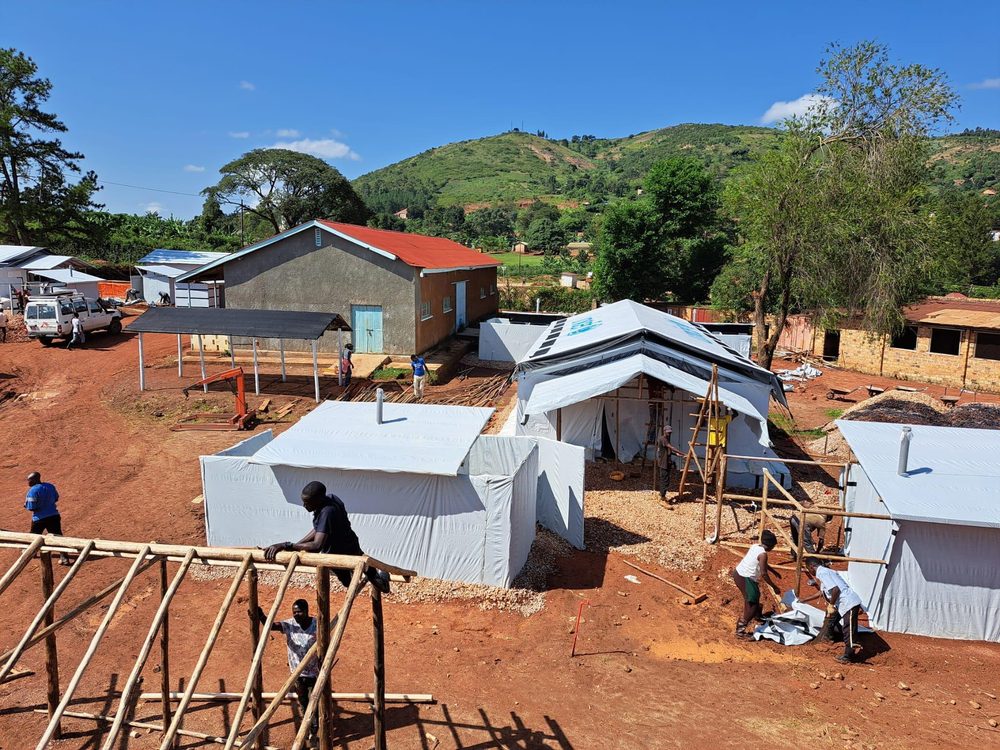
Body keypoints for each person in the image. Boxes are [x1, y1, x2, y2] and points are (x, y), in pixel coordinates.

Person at [263, 481, 390, 593]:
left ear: (318, 500)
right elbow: (320, 529)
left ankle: (380, 574)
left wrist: (286, 545)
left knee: (363, 583)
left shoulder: (327, 512)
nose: (304, 506)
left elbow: (317, 545)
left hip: (341, 553)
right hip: (350, 545)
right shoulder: (331, 499)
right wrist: (296, 545)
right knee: (351, 582)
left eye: (307, 502)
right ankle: (369, 572)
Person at [259, 599, 320, 743]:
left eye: (299, 612)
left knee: (314, 703)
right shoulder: (289, 625)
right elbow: (272, 626)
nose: (296, 615)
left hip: (314, 673)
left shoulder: (316, 624)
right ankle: (307, 728)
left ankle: (314, 731)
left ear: (306, 611)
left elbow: (326, 642)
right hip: (297, 674)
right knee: (303, 702)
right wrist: (261, 615)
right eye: (294, 612)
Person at [806, 558, 865, 663]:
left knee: (849, 628)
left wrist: (831, 605)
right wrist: (804, 600)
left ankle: (848, 655)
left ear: (811, 567)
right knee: (834, 620)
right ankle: (829, 638)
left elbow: (836, 589)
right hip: (844, 604)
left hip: (848, 603)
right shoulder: (826, 572)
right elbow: (824, 592)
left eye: (808, 569)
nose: (810, 572)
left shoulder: (822, 573)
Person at [732, 529, 781, 638]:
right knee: (752, 604)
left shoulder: (756, 546)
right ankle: (740, 629)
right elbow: (764, 573)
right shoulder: (763, 554)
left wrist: (774, 571)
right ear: (770, 546)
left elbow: (762, 564)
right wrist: (774, 587)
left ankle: (757, 616)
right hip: (746, 578)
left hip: (738, 573)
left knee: (752, 597)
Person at [25, 472, 70, 565]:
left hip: (39, 518)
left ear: (35, 480)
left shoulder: (33, 491)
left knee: (34, 536)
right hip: (54, 516)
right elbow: (56, 498)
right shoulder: (50, 486)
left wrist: (26, 505)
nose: (28, 482)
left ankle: (32, 553)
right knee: (58, 536)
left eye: (29, 480)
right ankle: (64, 558)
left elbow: (31, 507)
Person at [656, 425, 684, 504]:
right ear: (664, 431)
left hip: (667, 462)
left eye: (670, 433)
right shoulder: (662, 439)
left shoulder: (666, 439)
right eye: (668, 432)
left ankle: (662, 494)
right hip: (663, 463)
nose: (669, 434)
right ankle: (662, 496)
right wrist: (682, 453)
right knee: (664, 479)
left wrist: (676, 454)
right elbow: (671, 447)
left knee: (666, 479)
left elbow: (668, 451)